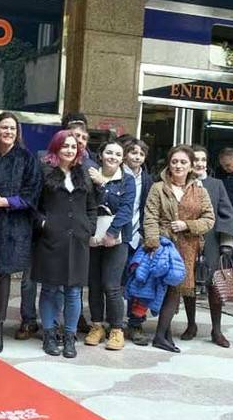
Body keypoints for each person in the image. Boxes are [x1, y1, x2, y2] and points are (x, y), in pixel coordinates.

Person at [143, 145, 214, 353]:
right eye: (174, 161)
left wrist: (188, 225)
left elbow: (209, 219)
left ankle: (161, 335)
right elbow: (150, 217)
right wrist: (153, 244)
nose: (178, 165)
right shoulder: (158, 187)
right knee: (164, 290)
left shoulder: (200, 190)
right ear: (169, 164)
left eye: (183, 162)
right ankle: (160, 334)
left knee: (175, 290)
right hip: (163, 246)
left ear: (191, 165)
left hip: (188, 247)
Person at [33, 130, 97, 359]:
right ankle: (49, 334)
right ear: (56, 148)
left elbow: (92, 206)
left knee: (74, 292)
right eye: (65, 146)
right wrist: (43, 223)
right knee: (49, 289)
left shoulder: (84, 174)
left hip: (78, 239)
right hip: (51, 239)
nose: (69, 150)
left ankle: (69, 336)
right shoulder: (44, 172)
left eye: (73, 147)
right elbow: (34, 204)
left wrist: (89, 227)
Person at [0, 112, 41, 352]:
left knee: (2, 275)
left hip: (13, 226)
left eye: (13, 129)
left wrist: (4, 202)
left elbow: (32, 195)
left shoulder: (26, 158)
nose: (8, 132)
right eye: (4, 128)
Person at [183, 145, 233, 347]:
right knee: (187, 286)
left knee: (215, 288)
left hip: (212, 242)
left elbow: (227, 213)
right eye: (196, 159)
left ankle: (216, 329)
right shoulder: (181, 183)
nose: (200, 163)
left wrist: (226, 243)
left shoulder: (216, 184)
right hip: (187, 241)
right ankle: (191, 325)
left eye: (203, 160)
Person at [84, 140, 135, 351]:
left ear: (122, 158)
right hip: (92, 235)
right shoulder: (90, 174)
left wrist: (112, 233)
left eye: (117, 154)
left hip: (117, 238)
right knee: (94, 284)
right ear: (101, 154)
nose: (112, 157)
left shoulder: (127, 180)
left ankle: (116, 329)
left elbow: (125, 209)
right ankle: (97, 326)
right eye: (109, 152)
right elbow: (87, 204)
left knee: (111, 286)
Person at [121, 139, 153, 346]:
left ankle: (135, 323)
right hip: (116, 234)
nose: (137, 157)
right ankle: (112, 322)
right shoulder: (116, 173)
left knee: (138, 280)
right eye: (133, 152)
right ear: (125, 154)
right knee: (114, 281)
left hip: (138, 236)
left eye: (141, 154)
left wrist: (144, 233)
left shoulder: (148, 180)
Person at [218, 147, 233, 263]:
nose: (226, 168)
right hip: (227, 221)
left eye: (228, 165)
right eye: (223, 166)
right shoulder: (220, 174)